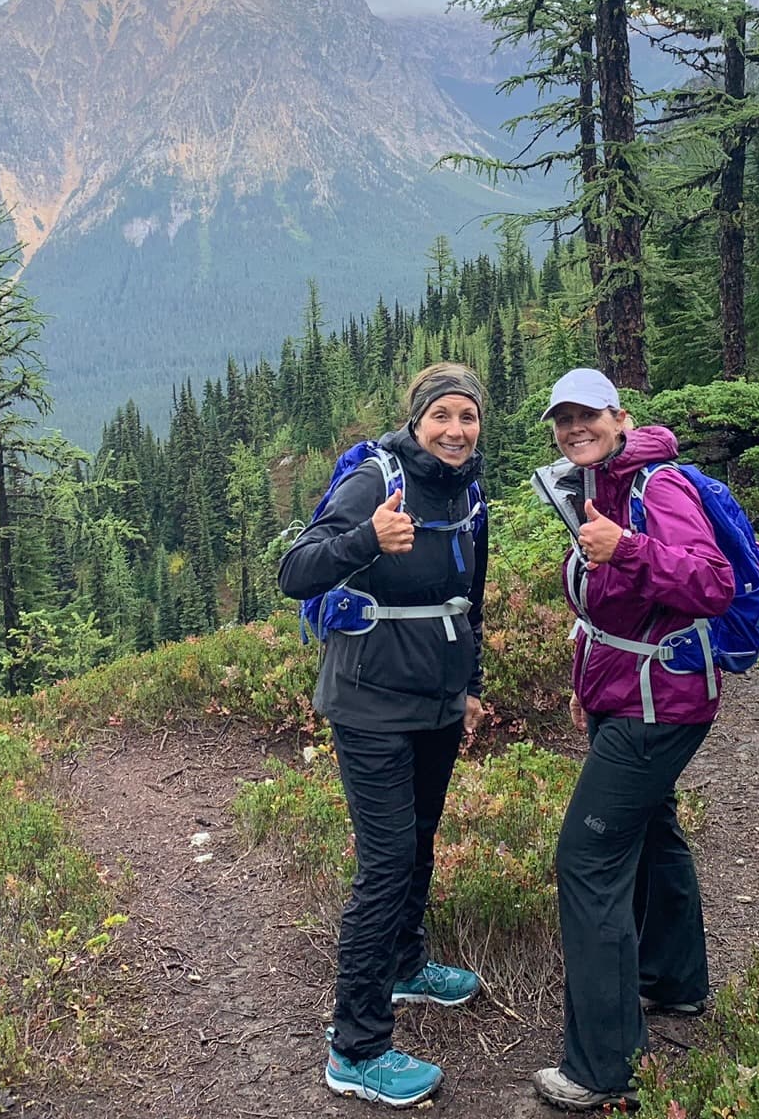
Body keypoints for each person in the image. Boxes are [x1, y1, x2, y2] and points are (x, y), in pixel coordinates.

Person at [277, 362, 490, 1108]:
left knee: (421, 838)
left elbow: (473, 599)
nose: (456, 431)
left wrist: (471, 687)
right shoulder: (376, 478)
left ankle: (406, 965)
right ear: (418, 419)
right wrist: (364, 538)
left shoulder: (469, 492)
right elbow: (295, 569)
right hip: (368, 699)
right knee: (388, 862)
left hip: (436, 699)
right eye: (443, 417)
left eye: (467, 417)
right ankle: (356, 1049)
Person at [529, 368, 735, 1113]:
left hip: (664, 704)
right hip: (629, 698)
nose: (573, 428)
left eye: (587, 415)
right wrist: (591, 693)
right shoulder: (601, 488)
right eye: (563, 419)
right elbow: (610, 612)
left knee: (586, 859)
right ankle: (673, 983)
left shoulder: (658, 487)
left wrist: (628, 550)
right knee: (653, 829)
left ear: (620, 416)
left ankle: (602, 1067)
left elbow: (712, 584)